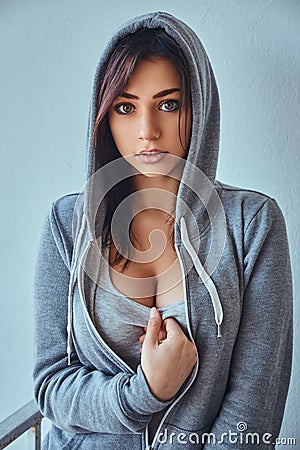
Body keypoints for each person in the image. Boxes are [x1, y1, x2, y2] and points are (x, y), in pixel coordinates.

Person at [33, 11, 293, 450]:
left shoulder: (253, 223)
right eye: (126, 107)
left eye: (168, 104)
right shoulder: (66, 224)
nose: (147, 131)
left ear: (200, 107)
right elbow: (51, 387)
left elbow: (254, 405)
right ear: (104, 117)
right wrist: (144, 393)